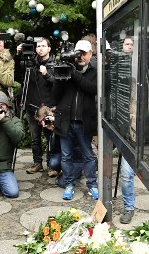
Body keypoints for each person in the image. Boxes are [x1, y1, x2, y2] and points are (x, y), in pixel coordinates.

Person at [53, 38, 99, 201]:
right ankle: (69, 184)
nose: (81, 57)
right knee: (66, 156)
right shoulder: (66, 68)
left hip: (84, 122)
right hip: (65, 121)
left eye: (84, 54)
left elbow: (92, 89)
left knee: (88, 155)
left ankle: (92, 184)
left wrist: (74, 75)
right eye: (78, 53)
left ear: (90, 54)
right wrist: (60, 77)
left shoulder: (94, 71)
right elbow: (55, 96)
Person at [15, 37, 55, 174]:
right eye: (38, 46)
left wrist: (46, 74)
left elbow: (57, 85)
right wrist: (18, 56)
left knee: (50, 137)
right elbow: (17, 76)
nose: (40, 48)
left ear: (49, 48)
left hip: (47, 108)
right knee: (35, 138)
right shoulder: (29, 63)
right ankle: (37, 163)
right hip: (31, 106)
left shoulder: (54, 64)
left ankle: (51, 164)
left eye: (43, 46)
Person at [36, 105, 83, 185]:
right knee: (53, 162)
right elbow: (52, 149)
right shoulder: (47, 126)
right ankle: (65, 172)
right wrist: (52, 131)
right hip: (63, 155)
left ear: (50, 115)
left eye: (43, 120)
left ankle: (75, 172)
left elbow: (73, 142)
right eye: (40, 122)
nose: (43, 123)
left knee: (63, 183)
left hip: (75, 156)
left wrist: (57, 126)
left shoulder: (63, 119)